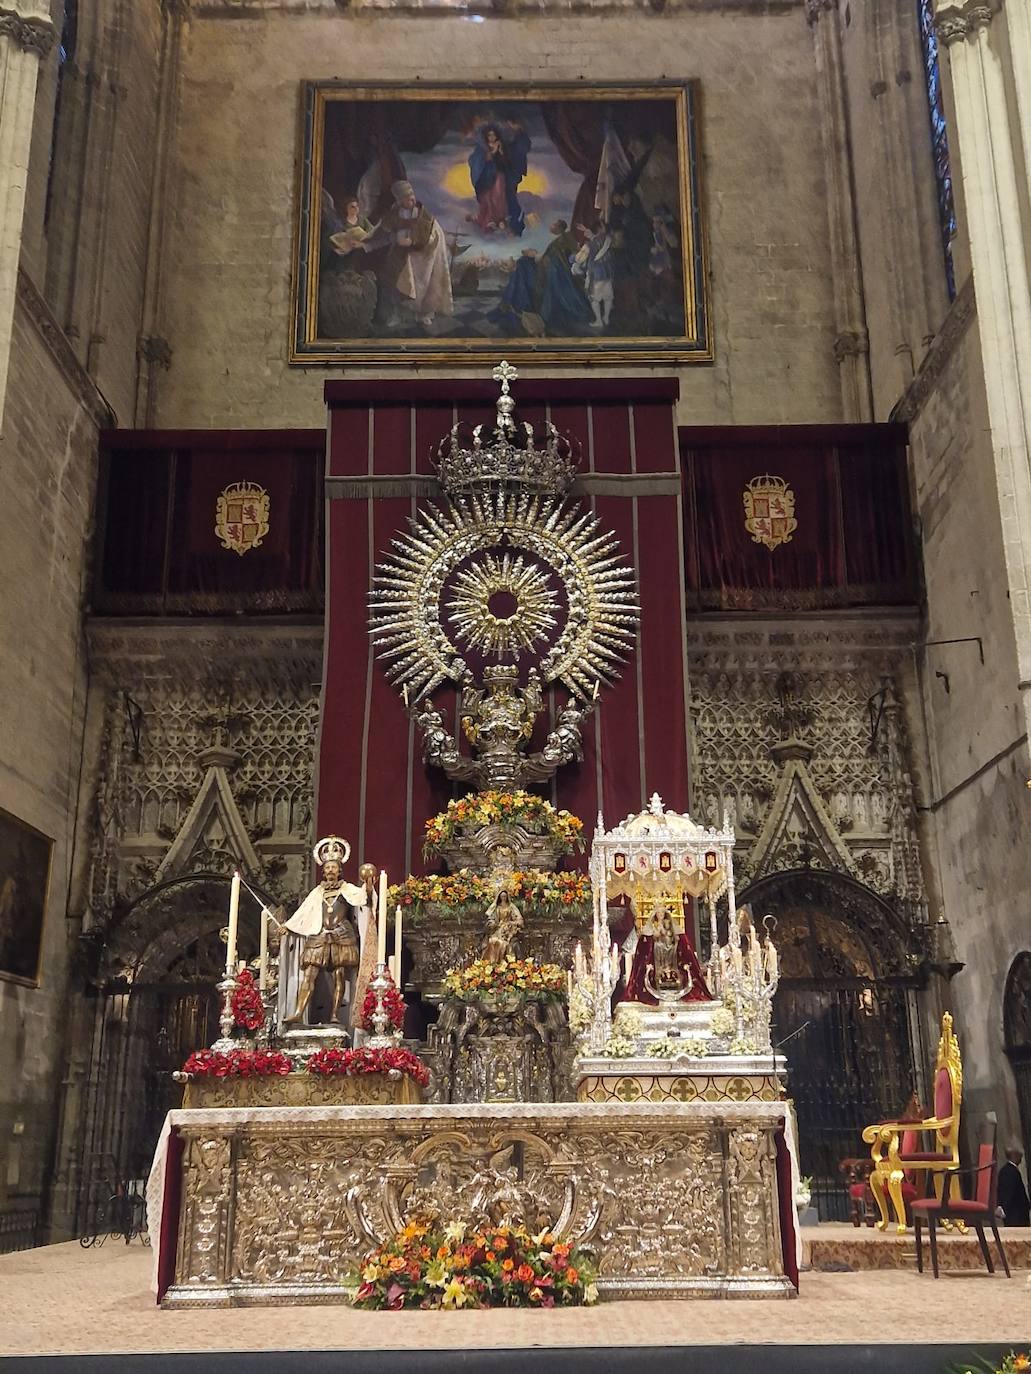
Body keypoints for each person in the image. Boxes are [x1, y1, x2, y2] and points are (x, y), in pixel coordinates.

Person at [282, 836, 368, 1026]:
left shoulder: (347, 889)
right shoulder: (317, 892)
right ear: (323, 870)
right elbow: (303, 911)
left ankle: (335, 1014)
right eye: (327, 867)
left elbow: (362, 897)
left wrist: (368, 884)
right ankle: (298, 1011)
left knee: (339, 975)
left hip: (342, 935)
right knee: (309, 973)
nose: (330, 870)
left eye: (333, 867)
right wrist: (288, 926)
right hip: (319, 934)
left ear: (339, 870)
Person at [377, 179, 453, 328]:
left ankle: (423, 314)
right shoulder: (393, 214)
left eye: (411, 194)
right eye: (406, 196)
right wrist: (396, 240)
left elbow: (434, 236)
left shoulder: (424, 216)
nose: (410, 198)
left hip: (423, 258)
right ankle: (399, 314)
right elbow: (384, 233)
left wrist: (413, 241)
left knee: (424, 287)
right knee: (395, 283)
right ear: (399, 200)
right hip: (400, 256)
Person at [467, 121, 530, 236]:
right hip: (487, 178)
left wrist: (499, 153)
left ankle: (501, 221)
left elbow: (505, 160)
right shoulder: (484, 148)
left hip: (499, 177)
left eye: (493, 134)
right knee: (488, 199)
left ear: (496, 135)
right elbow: (478, 161)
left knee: (498, 198)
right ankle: (489, 221)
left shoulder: (501, 145)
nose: (491, 137)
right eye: (489, 135)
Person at [483, 890, 523, 965]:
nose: (503, 898)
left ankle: (502, 963)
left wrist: (512, 923)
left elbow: (519, 919)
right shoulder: (497, 907)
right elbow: (490, 918)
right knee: (492, 941)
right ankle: (493, 963)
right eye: (502, 896)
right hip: (498, 929)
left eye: (505, 896)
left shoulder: (511, 907)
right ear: (499, 897)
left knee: (503, 944)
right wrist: (493, 924)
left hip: (508, 929)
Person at [997, 1146, 1031, 1226]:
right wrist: (1003, 1207)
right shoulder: (1012, 1172)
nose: (1021, 1159)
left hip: (1012, 1212)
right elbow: (1009, 1192)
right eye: (1020, 1156)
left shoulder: (1004, 1170)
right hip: (1016, 1213)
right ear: (1014, 1156)